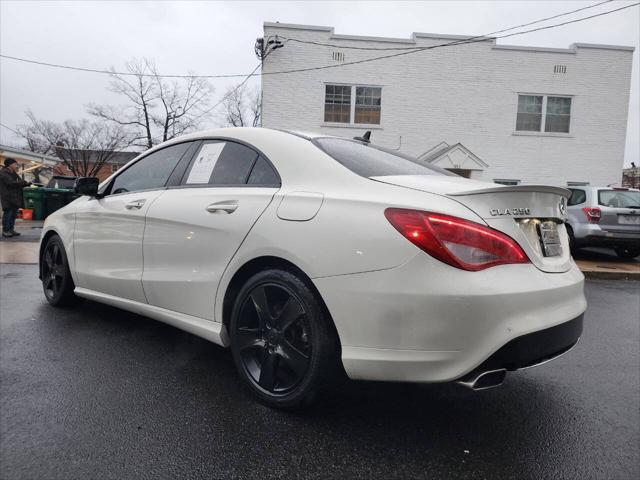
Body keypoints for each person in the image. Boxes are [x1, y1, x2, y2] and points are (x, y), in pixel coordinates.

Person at [0, 158, 30, 237]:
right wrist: (21, 182)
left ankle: (11, 229)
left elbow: (18, 182)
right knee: (8, 214)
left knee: (13, 214)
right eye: (15, 164)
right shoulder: (3, 173)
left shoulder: (13, 173)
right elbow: (11, 183)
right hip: (7, 197)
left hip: (15, 197)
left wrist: (26, 183)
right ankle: (5, 231)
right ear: (10, 165)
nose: (16, 166)